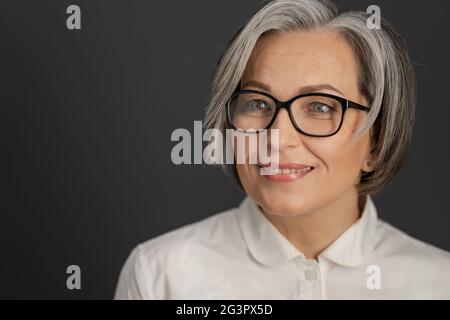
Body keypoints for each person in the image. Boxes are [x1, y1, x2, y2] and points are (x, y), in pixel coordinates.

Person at [115, 0, 450, 299]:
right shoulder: (160, 276)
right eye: (258, 103)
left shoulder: (438, 283)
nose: (276, 137)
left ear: (376, 141)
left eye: (320, 107)